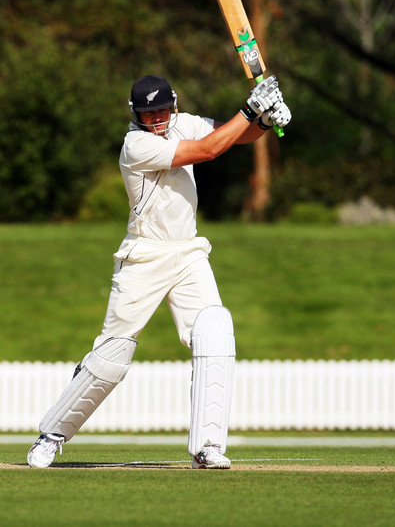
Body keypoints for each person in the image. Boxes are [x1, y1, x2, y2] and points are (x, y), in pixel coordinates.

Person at [27, 74, 291, 469]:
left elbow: (232, 135)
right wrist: (251, 108)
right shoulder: (136, 145)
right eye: (148, 114)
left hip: (188, 252)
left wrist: (264, 122)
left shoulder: (185, 123)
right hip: (145, 255)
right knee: (112, 355)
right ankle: (51, 436)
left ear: (174, 105)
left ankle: (207, 446)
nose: (157, 119)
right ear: (136, 115)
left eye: (162, 111)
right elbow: (208, 150)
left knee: (214, 333)